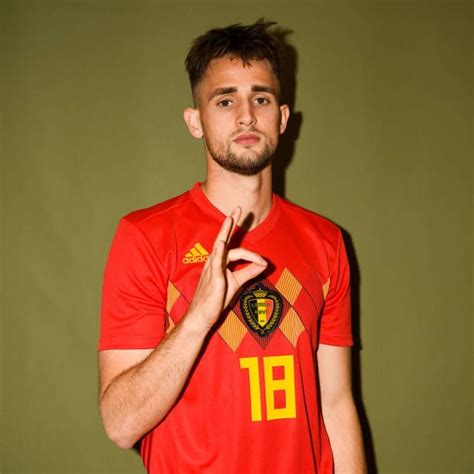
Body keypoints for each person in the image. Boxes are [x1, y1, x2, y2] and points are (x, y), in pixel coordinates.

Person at [98, 19, 367, 474]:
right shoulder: (145, 236)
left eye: (260, 98)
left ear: (281, 118)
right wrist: (198, 317)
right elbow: (121, 424)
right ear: (195, 121)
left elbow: (337, 404)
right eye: (225, 100)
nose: (246, 115)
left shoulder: (326, 242)